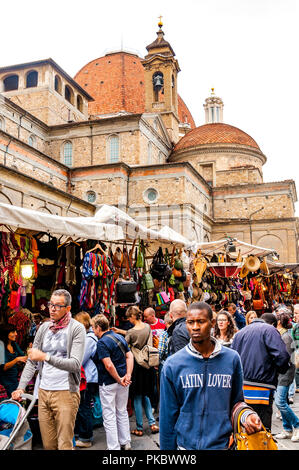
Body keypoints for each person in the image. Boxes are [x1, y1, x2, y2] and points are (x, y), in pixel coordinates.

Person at [159, 301, 262, 450]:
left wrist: (247, 415)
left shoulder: (232, 359)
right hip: (186, 447)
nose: (195, 327)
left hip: (223, 445)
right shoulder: (173, 365)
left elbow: (237, 401)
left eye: (200, 321)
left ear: (212, 322)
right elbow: (167, 417)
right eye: (190, 322)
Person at [12, 289, 86, 450]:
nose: (52, 308)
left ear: (68, 308)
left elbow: (75, 364)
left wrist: (46, 357)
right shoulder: (44, 328)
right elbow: (32, 361)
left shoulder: (76, 329)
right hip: (44, 392)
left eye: (57, 306)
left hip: (66, 393)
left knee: (65, 444)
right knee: (48, 444)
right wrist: (21, 387)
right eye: (50, 304)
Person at [231, 312, 290, 431]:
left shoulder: (240, 333)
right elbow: (282, 356)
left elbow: (231, 358)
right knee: (261, 427)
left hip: (242, 387)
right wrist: (280, 370)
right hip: (262, 386)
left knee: (245, 425)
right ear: (273, 324)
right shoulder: (270, 330)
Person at [92, 314, 133, 451]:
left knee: (109, 414)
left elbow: (108, 365)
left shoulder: (102, 342)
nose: (92, 330)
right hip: (123, 380)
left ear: (98, 327)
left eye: (93, 327)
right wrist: (127, 375)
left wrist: (118, 378)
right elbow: (129, 355)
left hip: (109, 381)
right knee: (121, 411)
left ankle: (113, 447)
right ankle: (125, 442)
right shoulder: (119, 337)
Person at [125, 306, 159, 436]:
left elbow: (125, 344)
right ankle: (152, 423)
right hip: (148, 364)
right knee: (146, 395)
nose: (128, 320)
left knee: (137, 397)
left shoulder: (131, 332)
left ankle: (139, 428)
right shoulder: (147, 327)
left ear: (133, 317)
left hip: (136, 366)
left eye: (129, 317)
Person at [74, 312, 99, 448]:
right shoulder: (87, 337)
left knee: (84, 407)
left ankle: (86, 437)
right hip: (86, 377)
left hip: (88, 378)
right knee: (81, 406)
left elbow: (80, 359)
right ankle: (81, 434)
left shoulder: (89, 339)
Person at [274, 309, 299, 441]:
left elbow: (286, 357)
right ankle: (287, 429)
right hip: (280, 372)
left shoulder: (286, 337)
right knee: (281, 402)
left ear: (278, 322)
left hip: (286, 372)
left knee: (280, 402)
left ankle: (297, 424)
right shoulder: (281, 335)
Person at [0, 325, 27, 397]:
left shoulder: (13, 344)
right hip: (5, 382)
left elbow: (22, 356)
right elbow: (3, 367)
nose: (16, 334)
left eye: (15, 331)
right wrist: (16, 360)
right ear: (5, 334)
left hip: (14, 378)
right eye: (13, 332)